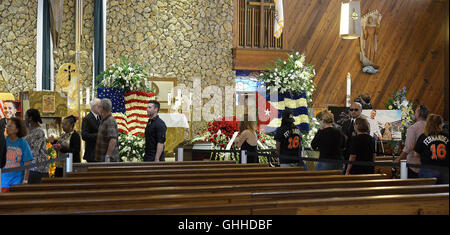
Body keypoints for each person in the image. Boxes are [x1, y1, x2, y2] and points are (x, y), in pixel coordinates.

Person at [394, 105, 429, 178]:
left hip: (414, 165)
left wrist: (398, 159)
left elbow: (408, 147)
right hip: (427, 165)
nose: (414, 113)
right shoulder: (429, 127)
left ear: (419, 114)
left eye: (415, 112)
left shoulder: (413, 128)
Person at [413, 114, 448, 184]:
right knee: (444, 193)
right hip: (445, 170)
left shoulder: (423, 137)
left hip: (428, 170)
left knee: (427, 192)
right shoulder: (447, 135)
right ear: (439, 125)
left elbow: (415, 154)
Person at [1, 117, 33, 192]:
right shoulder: (3, 140)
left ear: (17, 129)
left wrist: (25, 179)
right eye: (7, 126)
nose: (7, 128)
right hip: (3, 181)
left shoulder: (23, 143)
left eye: (10, 126)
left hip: (17, 181)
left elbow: (27, 163)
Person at [24, 109, 48, 184]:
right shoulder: (30, 130)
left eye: (26, 116)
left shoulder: (39, 131)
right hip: (31, 167)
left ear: (30, 118)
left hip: (38, 168)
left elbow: (35, 151)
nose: (25, 118)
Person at [340, 102, 362, 173]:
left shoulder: (364, 123)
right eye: (351, 109)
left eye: (356, 110)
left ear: (361, 110)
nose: (353, 112)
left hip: (358, 156)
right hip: (346, 155)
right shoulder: (346, 123)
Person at [81, 98, 101, 162]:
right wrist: (99, 135)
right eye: (99, 106)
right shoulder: (87, 119)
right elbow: (84, 135)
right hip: (92, 153)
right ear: (93, 106)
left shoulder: (100, 117)